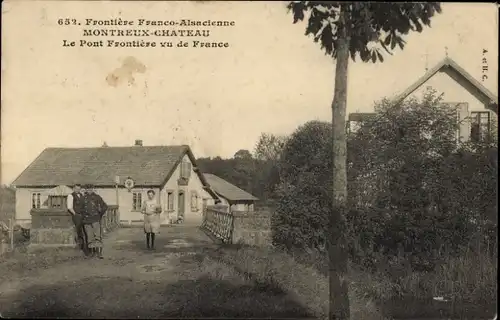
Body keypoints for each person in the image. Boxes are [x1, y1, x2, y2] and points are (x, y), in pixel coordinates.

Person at [82, 184, 108, 259]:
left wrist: (100, 214)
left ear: (93, 189)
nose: (89, 190)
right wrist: (83, 215)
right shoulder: (83, 198)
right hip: (87, 220)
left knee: (97, 236)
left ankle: (99, 253)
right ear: (85, 190)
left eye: (90, 189)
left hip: (95, 219)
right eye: (87, 189)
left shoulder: (97, 197)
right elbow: (79, 209)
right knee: (90, 237)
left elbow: (105, 206)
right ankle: (91, 253)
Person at [67, 184, 88, 255]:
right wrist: (75, 214)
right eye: (76, 189)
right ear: (73, 189)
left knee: (86, 231)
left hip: (83, 215)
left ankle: (86, 247)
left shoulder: (81, 195)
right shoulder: (70, 196)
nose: (77, 190)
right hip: (77, 216)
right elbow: (69, 207)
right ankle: (81, 248)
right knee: (79, 232)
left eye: (79, 189)